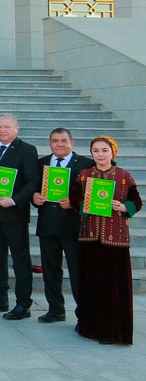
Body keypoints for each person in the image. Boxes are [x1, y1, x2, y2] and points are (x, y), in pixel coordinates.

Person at [72, 135, 140, 345]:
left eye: (104, 150)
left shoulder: (124, 176)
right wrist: (85, 207)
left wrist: (124, 207)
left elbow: (136, 201)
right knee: (92, 284)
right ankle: (91, 328)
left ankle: (113, 332)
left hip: (115, 238)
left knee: (114, 286)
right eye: (96, 151)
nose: (100, 155)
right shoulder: (84, 175)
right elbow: (75, 199)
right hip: (90, 237)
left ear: (113, 152)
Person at [0, 113, 39, 320]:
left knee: (20, 260)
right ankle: (0, 298)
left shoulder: (27, 150)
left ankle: (23, 303)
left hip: (14, 214)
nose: (2, 131)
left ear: (16, 128)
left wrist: (14, 200)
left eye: (7, 127)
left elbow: (32, 182)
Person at [31, 127, 93, 323]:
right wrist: (35, 197)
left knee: (77, 271)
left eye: (63, 140)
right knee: (50, 270)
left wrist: (76, 203)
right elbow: (32, 187)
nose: (59, 144)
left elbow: (92, 194)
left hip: (73, 227)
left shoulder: (85, 164)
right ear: (50, 144)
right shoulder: (42, 163)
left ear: (71, 143)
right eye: (55, 141)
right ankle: (55, 309)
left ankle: (83, 314)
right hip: (48, 225)